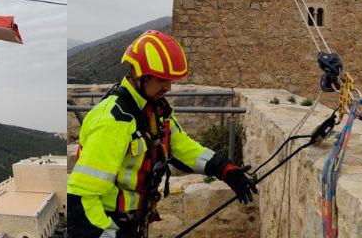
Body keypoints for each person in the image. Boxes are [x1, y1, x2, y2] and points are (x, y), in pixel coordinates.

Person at [67, 30, 257, 237]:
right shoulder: (113, 121)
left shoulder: (154, 110)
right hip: (109, 223)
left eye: (170, 80)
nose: (168, 87)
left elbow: (181, 147)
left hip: (133, 222)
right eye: (162, 80)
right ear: (140, 76)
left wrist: (225, 169)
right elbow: (81, 199)